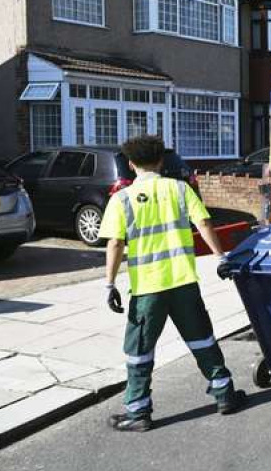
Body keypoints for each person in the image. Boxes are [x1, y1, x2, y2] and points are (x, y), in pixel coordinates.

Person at [100, 135, 246, 432]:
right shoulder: (180, 190)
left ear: (130, 164)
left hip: (147, 290)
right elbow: (204, 224)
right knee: (202, 338)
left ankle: (139, 412)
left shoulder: (122, 199)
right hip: (183, 283)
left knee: (139, 349)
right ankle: (224, 394)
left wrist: (109, 284)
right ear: (161, 161)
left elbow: (115, 243)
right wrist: (221, 257)